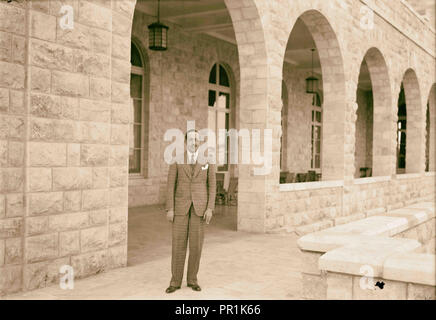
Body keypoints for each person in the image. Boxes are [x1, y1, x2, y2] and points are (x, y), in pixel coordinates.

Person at [165, 129, 216, 293]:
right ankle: (175, 282)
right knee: (178, 245)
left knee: (196, 246)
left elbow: (212, 186)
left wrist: (210, 208)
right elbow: (170, 185)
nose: (195, 143)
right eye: (192, 140)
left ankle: (192, 279)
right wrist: (170, 208)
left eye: (197, 140)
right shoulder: (177, 159)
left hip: (200, 209)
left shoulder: (207, 160)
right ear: (186, 142)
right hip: (180, 208)